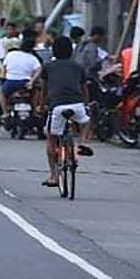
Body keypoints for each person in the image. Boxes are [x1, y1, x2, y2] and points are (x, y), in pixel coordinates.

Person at [34, 36, 93, 187]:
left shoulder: (48, 66)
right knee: (86, 122)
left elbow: (44, 90)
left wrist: (41, 106)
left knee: (51, 138)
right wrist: (85, 103)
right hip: (77, 105)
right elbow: (84, 88)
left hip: (57, 106)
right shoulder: (78, 67)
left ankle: (53, 176)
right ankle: (81, 142)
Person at [0, 32, 38, 138]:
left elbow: (3, 70)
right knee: (35, 93)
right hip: (25, 84)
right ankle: (34, 111)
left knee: (2, 93)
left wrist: (1, 77)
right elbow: (39, 69)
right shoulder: (33, 58)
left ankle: (5, 113)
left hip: (11, 83)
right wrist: (32, 81)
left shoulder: (10, 55)